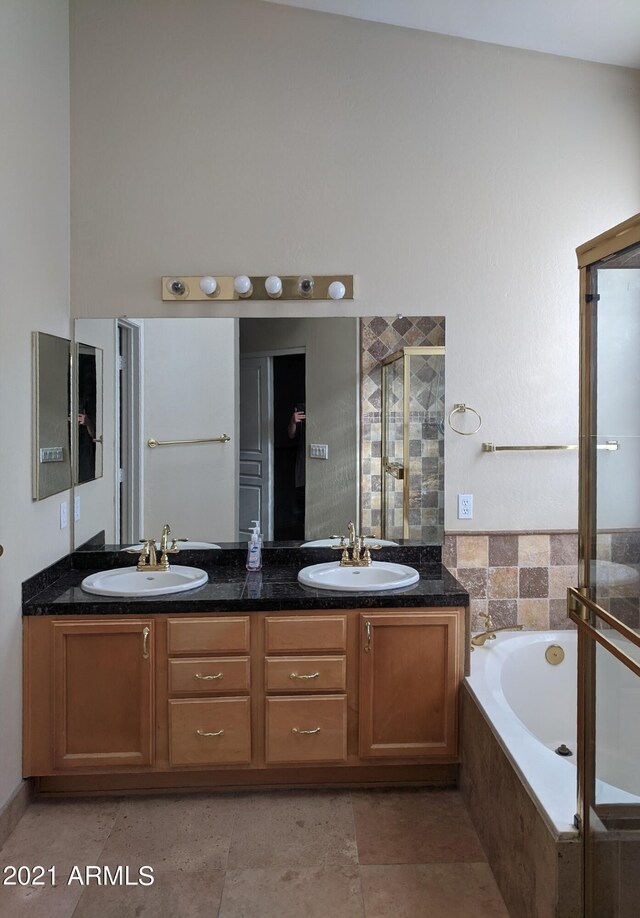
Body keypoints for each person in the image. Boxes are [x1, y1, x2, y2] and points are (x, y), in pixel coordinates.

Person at [288, 404, 306, 532]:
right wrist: (293, 422)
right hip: (302, 466)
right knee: (299, 508)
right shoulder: (301, 407)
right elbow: (291, 434)